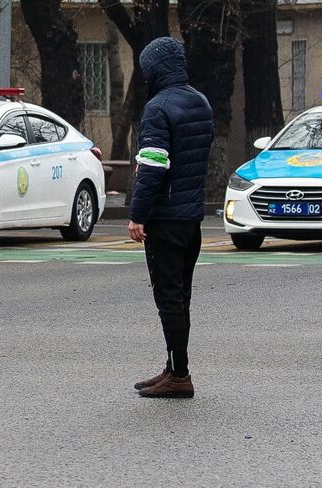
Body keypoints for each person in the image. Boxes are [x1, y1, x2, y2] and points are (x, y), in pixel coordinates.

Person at [127, 36, 214, 399]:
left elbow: (154, 164)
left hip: (165, 218)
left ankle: (179, 376)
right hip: (191, 219)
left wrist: (137, 214)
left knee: (168, 299)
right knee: (181, 297)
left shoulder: (157, 108)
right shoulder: (201, 102)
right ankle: (173, 366)